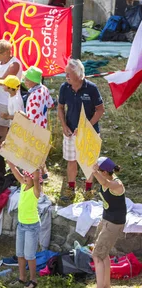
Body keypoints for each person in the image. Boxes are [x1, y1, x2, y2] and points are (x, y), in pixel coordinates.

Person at [57, 58, 105, 202]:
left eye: (69, 74)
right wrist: (64, 126)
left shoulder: (91, 88)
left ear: (79, 74)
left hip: (89, 133)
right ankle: (70, 189)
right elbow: (60, 107)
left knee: (89, 162)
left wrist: (86, 128)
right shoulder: (64, 88)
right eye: (66, 73)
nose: (66, 77)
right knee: (71, 161)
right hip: (70, 131)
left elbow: (100, 110)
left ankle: (88, 190)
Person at [83, 157, 126, 288]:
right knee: (103, 253)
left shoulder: (116, 184)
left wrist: (95, 172)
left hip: (113, 223)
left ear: (105, 172)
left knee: (97, 256)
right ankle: (106, 286)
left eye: (99, 171)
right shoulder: (105, 177)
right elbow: (98, 180)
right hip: (107, 220)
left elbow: (105, 183)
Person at [7, 161, 41, 288]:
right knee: (20, 254)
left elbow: (37, 179)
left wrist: (36, 169)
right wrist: (10, 163)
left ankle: (33, 279)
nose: (25, 178)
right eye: (25, 176)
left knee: (29, 255)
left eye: (28, 177)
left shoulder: (35, 190)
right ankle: (22, 277)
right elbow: (16, 172)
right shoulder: (23, 185)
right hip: (21, 225)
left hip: (31, 227)